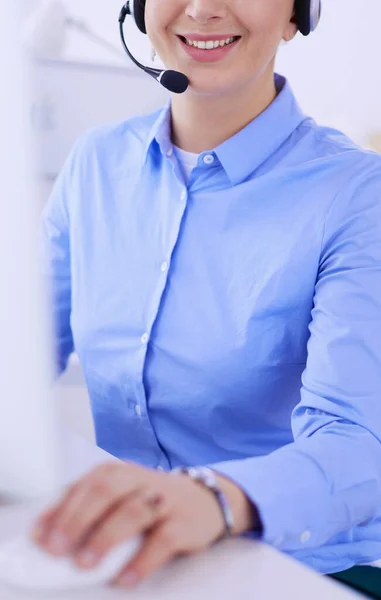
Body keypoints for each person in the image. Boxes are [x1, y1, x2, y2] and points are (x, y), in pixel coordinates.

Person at [34, 0, 381, 591]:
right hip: (129, 554)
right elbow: (21, 354)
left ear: (298, 12)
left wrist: (214, 499)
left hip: (308, 568)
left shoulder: (356, 197)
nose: (202, 8)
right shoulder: (96, 162)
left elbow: (358, 443)